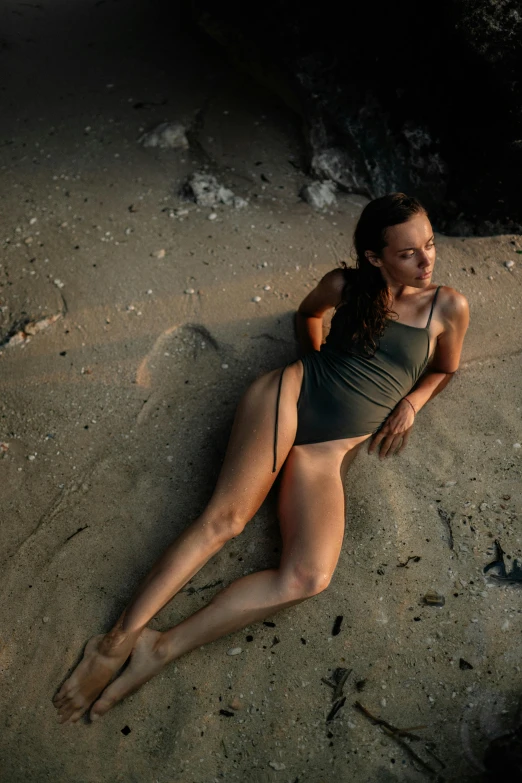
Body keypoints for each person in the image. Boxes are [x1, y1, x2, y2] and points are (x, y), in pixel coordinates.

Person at [53, 193, 469, 724]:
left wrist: (410, 403)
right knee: (225, 521)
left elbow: (443, 370)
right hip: (289, 398)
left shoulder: (446, 306)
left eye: (429, 245)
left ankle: (160, 647)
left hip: (324, 454)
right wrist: (312, 363)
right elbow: (308, 314)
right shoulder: (346, 285)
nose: (426, 260)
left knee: (309, 576)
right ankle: (112, 643)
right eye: (409, 253)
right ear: (374, 256)